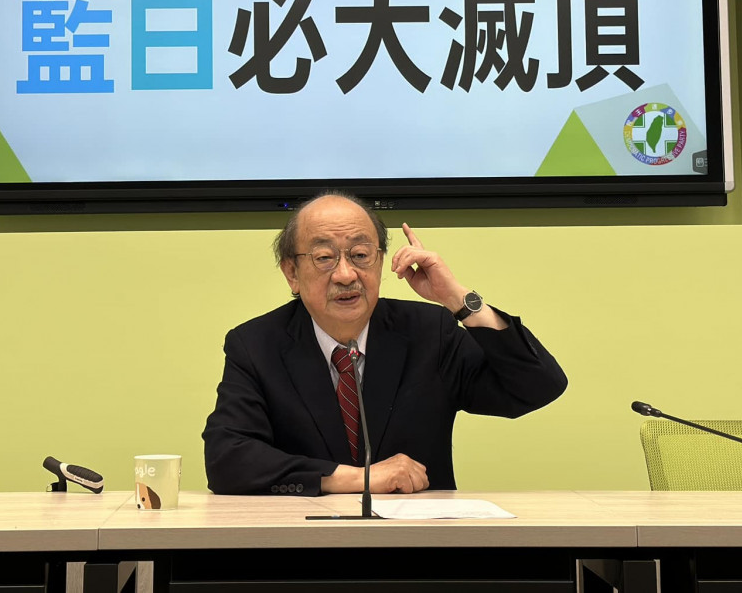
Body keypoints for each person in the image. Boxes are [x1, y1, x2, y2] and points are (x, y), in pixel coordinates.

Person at [202, 192, 568, 495]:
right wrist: (358, 479)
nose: (346, 274)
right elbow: (227, 460)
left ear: (380, 262)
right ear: (292, 273)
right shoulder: (256, 345)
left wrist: (458, 299)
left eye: (361, 255)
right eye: (324, 258)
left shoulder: (430, 333)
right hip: (306, 544)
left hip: (418, 548)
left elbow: (537, 387)